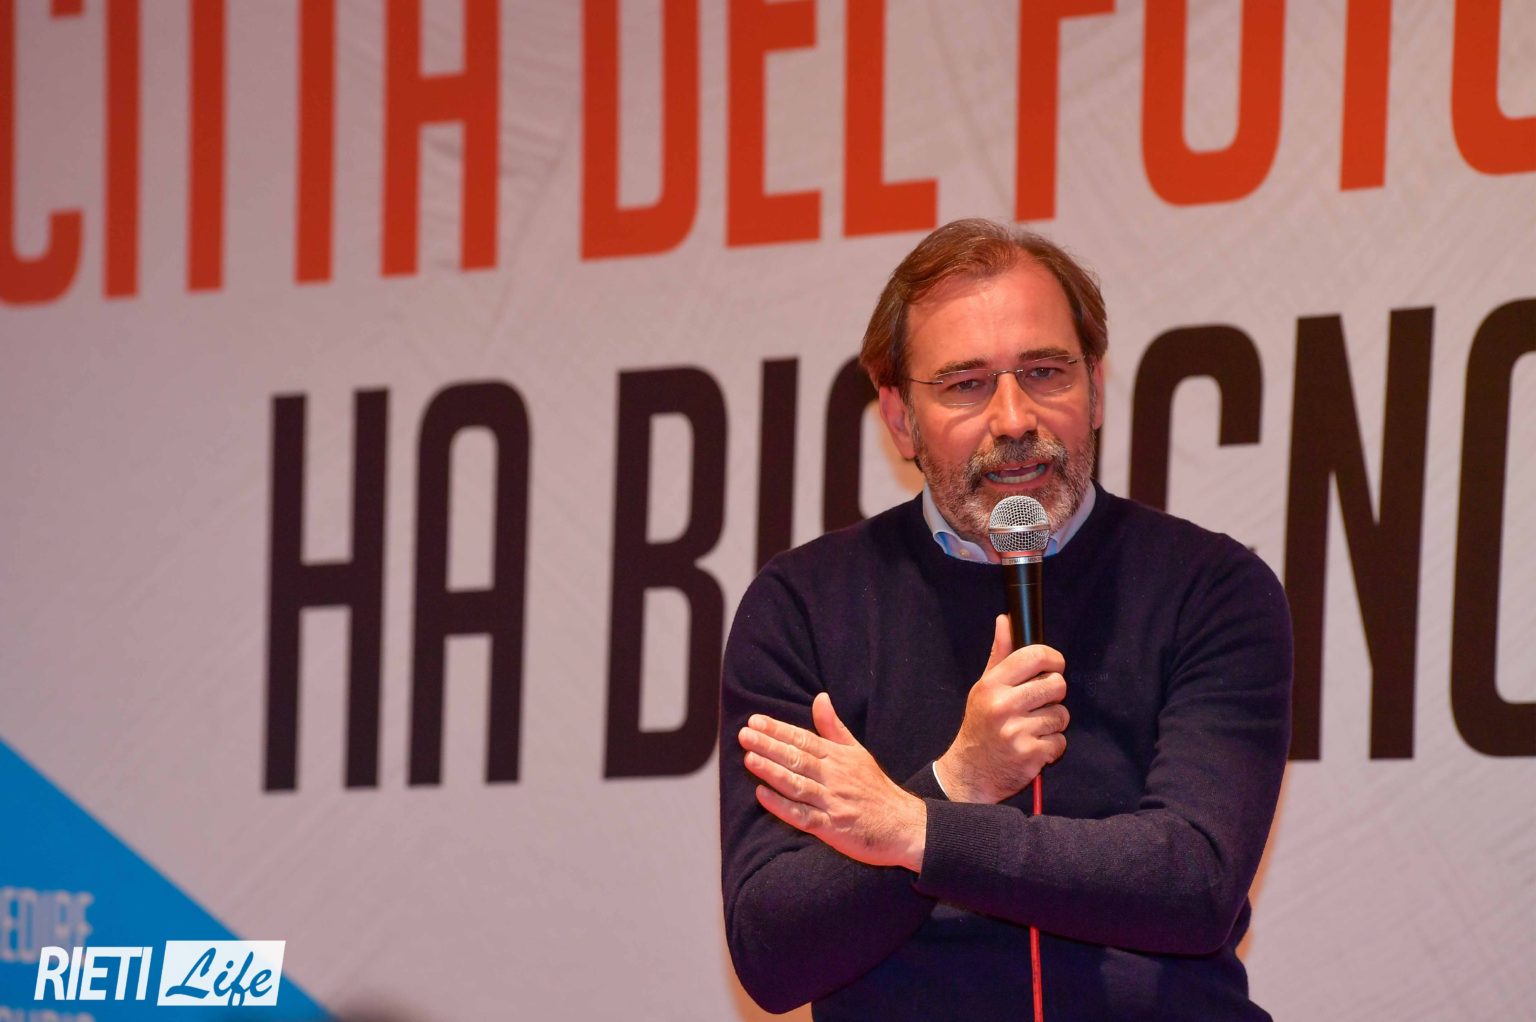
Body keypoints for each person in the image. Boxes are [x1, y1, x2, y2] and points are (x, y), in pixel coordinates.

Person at [718, 219, 1292, 1021]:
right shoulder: (805, 605)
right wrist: (962, 780)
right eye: (966, 385)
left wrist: (915, 828)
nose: (1015, 418)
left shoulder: (1210, 586)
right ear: (899, 418)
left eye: (1046, 372)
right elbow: (773, 954)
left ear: (1096, 389)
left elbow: (1192, 881)